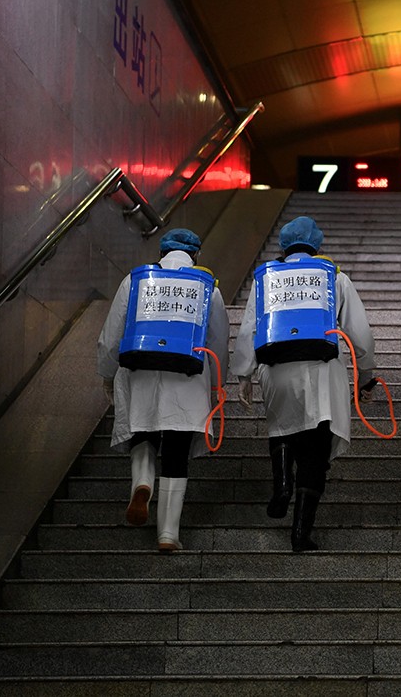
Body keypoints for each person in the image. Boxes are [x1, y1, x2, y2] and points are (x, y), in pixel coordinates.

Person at [230, 216, 377, 552]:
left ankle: (282, 484)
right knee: (316, 451)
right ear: (316, 243)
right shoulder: (333, 276)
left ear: (284, 245)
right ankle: (300, 533)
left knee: (283, 430)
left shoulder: (267, 277)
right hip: (323, 370)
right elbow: (361, 334)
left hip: (276, 369)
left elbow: (250, 328)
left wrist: (244, 375)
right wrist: (366, 376)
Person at [96, 228, 229, 552]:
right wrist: (217, 384)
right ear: (195, 254)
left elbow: (112, 334)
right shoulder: (207, 287)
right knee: (176, 450)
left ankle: (142, 482)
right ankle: (168, 534)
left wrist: (107, 374)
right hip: (187, 376)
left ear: (161, 252)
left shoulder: (136, 280)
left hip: (139, 370)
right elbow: (218, 341)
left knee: (143, 431)